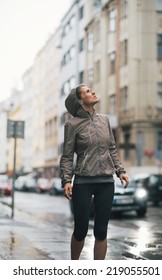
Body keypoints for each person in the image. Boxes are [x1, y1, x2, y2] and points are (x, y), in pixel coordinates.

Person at [60, 84, 129, 260]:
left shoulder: (104, 120)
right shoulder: (72, 124)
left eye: (92, 90)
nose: (93, 92)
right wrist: (66, 180)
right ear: (81, 100)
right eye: (88, 91)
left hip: (106, 181)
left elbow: (112, 148)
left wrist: (120, 170)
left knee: (101, 231)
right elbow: (67, 155)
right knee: (80, 230)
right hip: (83, 181)